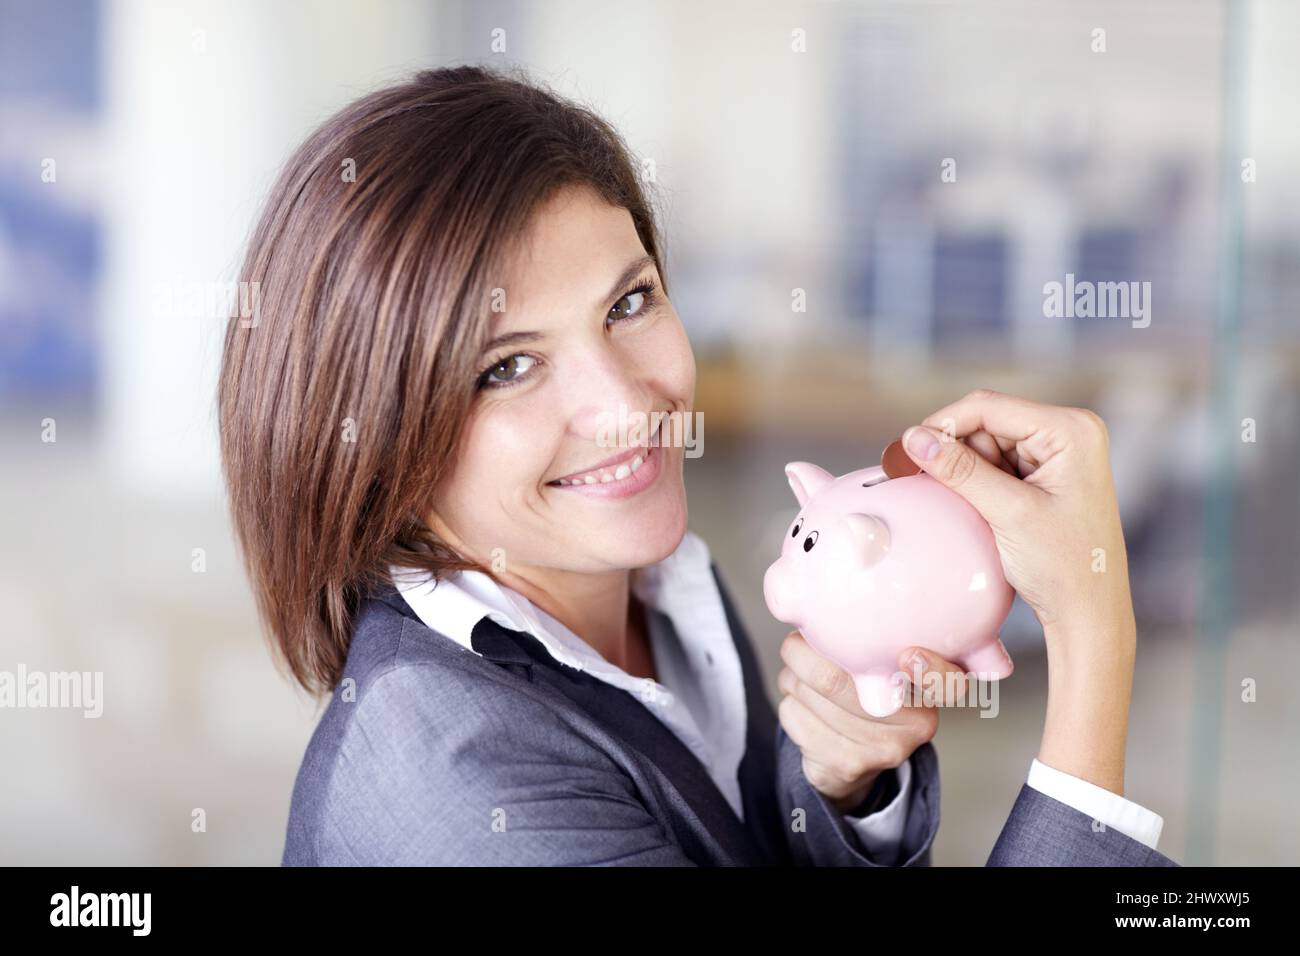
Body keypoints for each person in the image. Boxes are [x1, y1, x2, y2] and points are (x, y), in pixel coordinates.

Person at [217, 65, 1176, 866]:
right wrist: (1096, 643)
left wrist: (841, 790)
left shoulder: (664, 584)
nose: (631, 406)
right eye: (507, 367)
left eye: (629, 304)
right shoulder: (447, 776)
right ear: (375, 435)